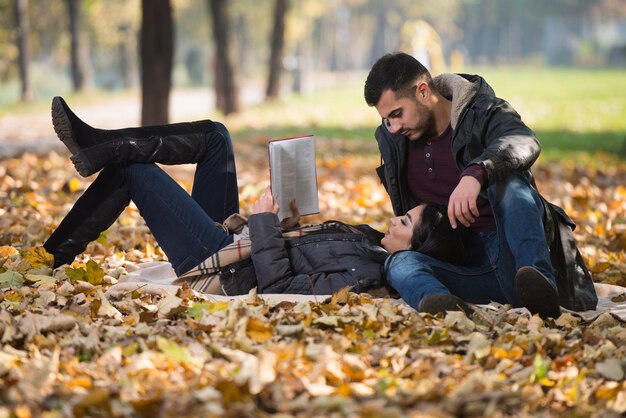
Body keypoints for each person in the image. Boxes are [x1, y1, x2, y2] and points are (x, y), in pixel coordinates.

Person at [43, 96, 472, 314]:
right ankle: (99, 147)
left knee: (137, 171)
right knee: (215, 136)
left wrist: (265, 221)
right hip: (235, 238)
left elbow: (279, 287)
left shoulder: (366, 272)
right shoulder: (367, 241)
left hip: (219, 264)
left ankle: (97, 155)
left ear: (413, 248)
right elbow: (296, 249)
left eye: (403, 221)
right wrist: (288, 218)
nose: (393, 218)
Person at [364, 52, 597, 318]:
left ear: (424, 92)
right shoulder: (396, 142)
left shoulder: (482, 112)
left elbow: (522, 140)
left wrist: (476, 173)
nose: (393, 127)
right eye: (386, 119)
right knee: (399, 263)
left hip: (513, 256)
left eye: (397, 114)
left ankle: (541, 289)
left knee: (508, 179)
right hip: (458, 265)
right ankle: (444, 306)